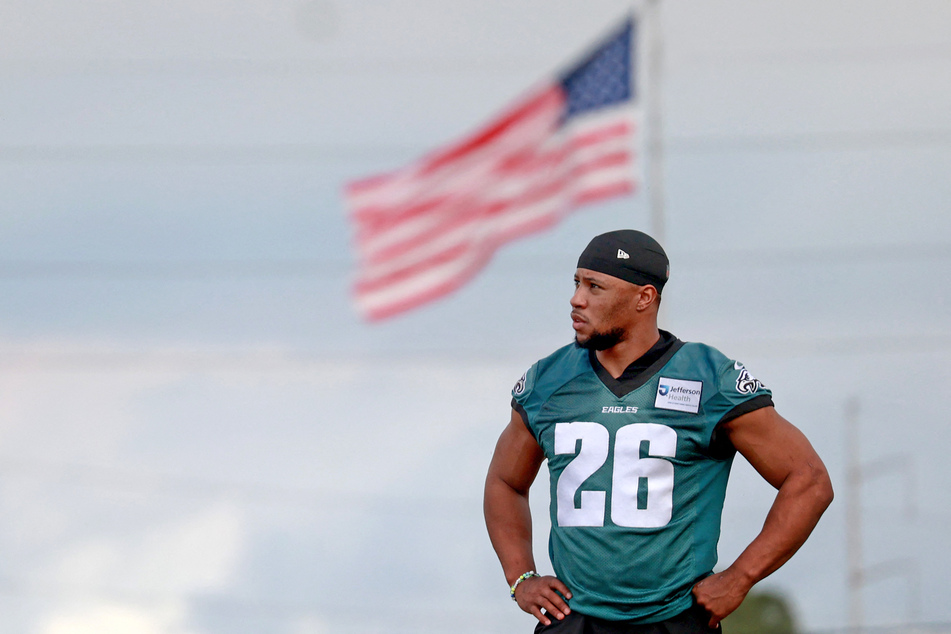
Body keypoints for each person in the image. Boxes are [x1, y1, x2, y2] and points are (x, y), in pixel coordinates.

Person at [483, 230, 833, 633]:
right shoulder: (549, 379)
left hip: (675, 618)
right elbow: (505, 482)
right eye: (576, 282)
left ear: (644, 298)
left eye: (595, 286)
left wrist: (740, 578)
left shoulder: (706, 378)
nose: (576, 299)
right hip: (572, 618)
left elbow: (809, 479)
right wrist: (521, 577)